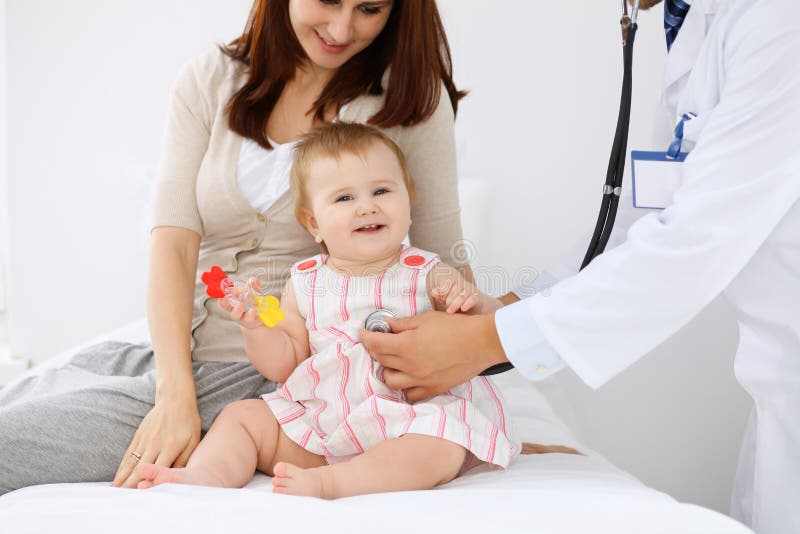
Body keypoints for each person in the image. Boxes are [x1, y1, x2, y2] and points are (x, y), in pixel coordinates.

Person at [360, 1, 800, 533]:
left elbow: (694, 241)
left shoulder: (778, 21)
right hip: (778, 385)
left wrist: (488, 343)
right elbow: (650, 210)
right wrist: (502, 311)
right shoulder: (699, 22)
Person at [0, 0, 472, 494]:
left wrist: (468, 428)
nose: (341, 27)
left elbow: (451, 274)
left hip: (282, 378)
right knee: (30, 390)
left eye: (369, 8)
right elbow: (173, 245)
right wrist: (175, 391)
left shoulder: (409, 100)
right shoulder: (210, 79)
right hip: (175, 358)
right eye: (328, 0)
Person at [135, 123, 520, 498]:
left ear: (409, 199)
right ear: (314, 223)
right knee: (242, 417)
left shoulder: (427, 270)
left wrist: (463, 299)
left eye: (382, 191)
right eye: (345, 198)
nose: (367, 207)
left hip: (407, 421)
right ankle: (207, 474)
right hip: (324, 425)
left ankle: (337, 484)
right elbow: (286, 363)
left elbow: (479, 324)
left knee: (440, 443)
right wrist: (257, 329)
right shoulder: (304, 282)